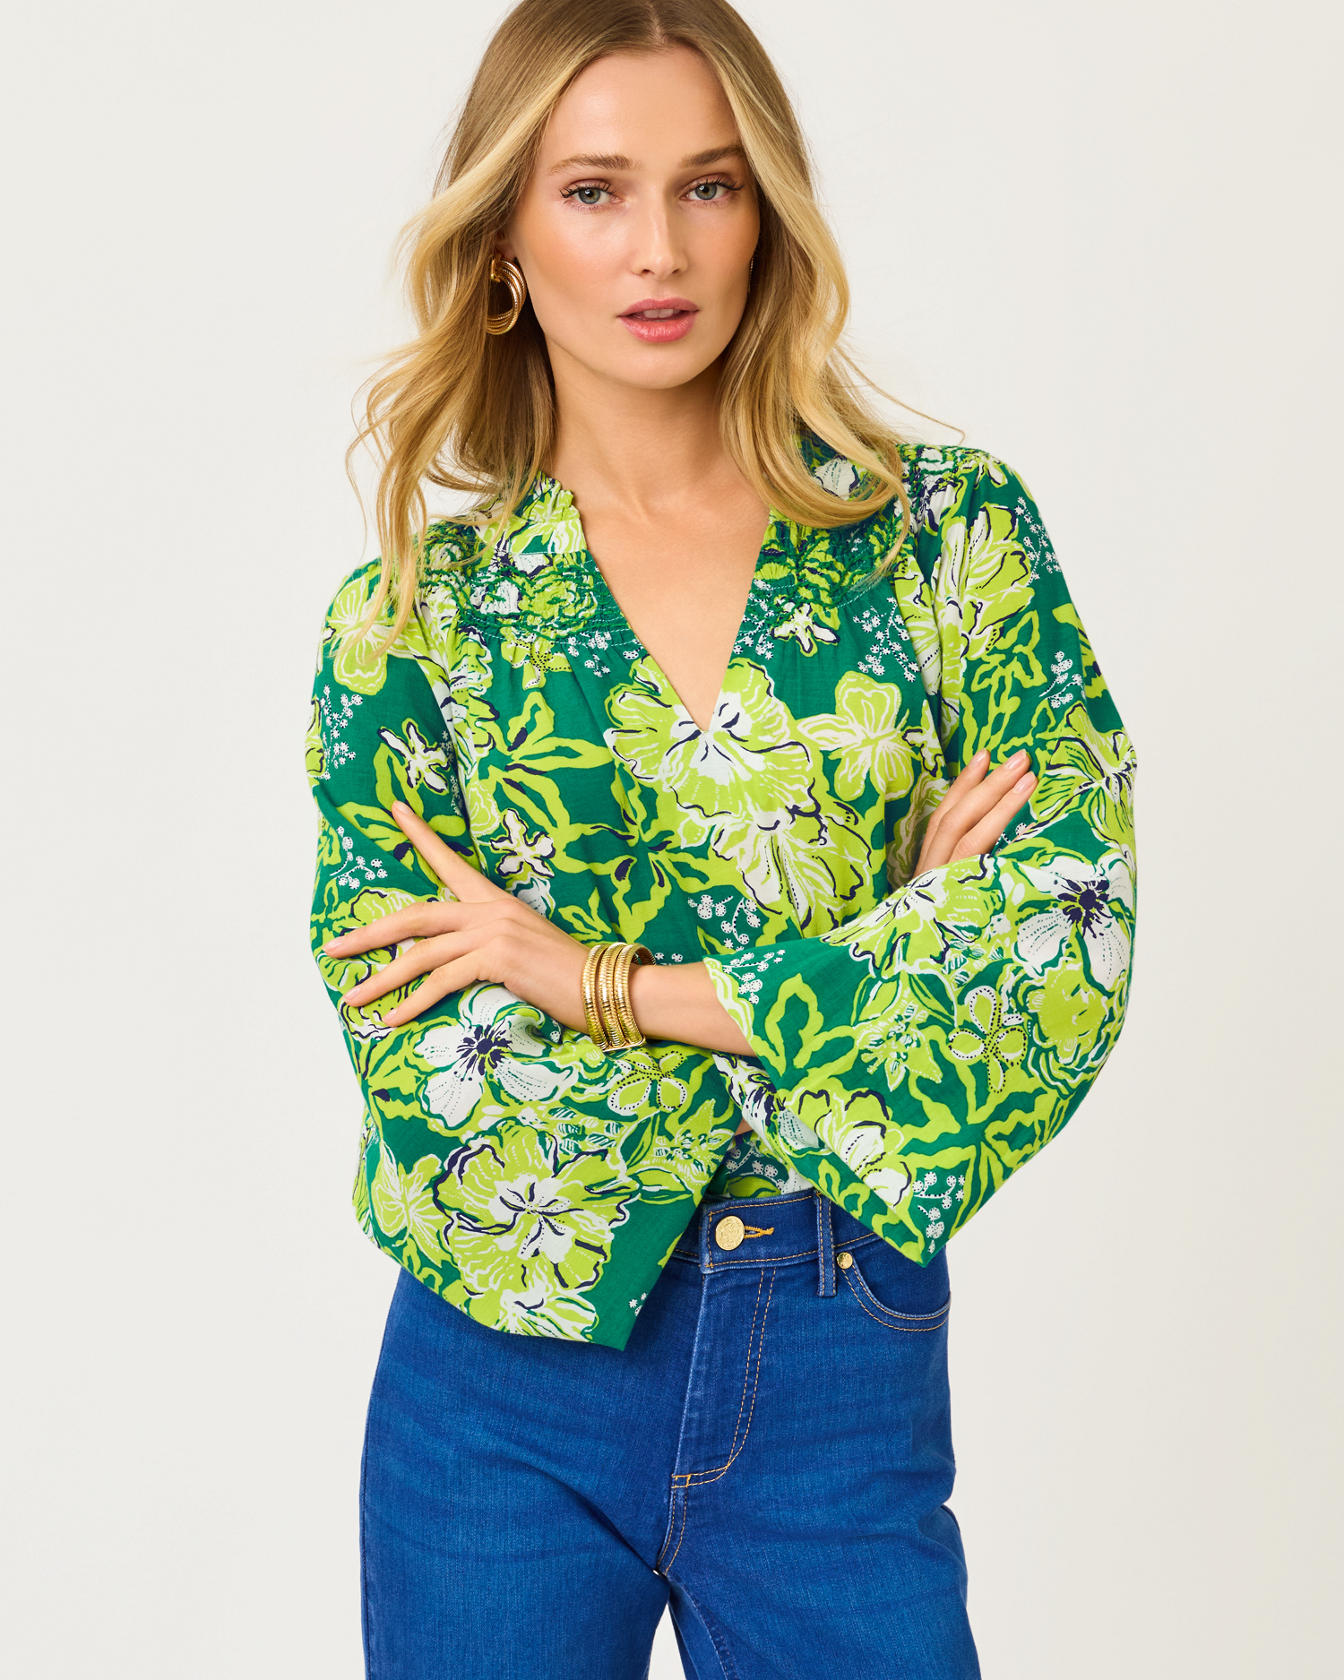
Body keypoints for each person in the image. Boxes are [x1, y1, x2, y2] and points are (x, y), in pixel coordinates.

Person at [303, 2, 1138, 1675]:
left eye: (710, 185)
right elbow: (434, 1068)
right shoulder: (414, 625)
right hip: (505, 1383)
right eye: (594, 191)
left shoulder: (946, 541)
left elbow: (1060, 953)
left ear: (768, 212)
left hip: (838, 1358)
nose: (661, 249)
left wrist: (588, 980)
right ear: (503, 243)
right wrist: (882, 955)